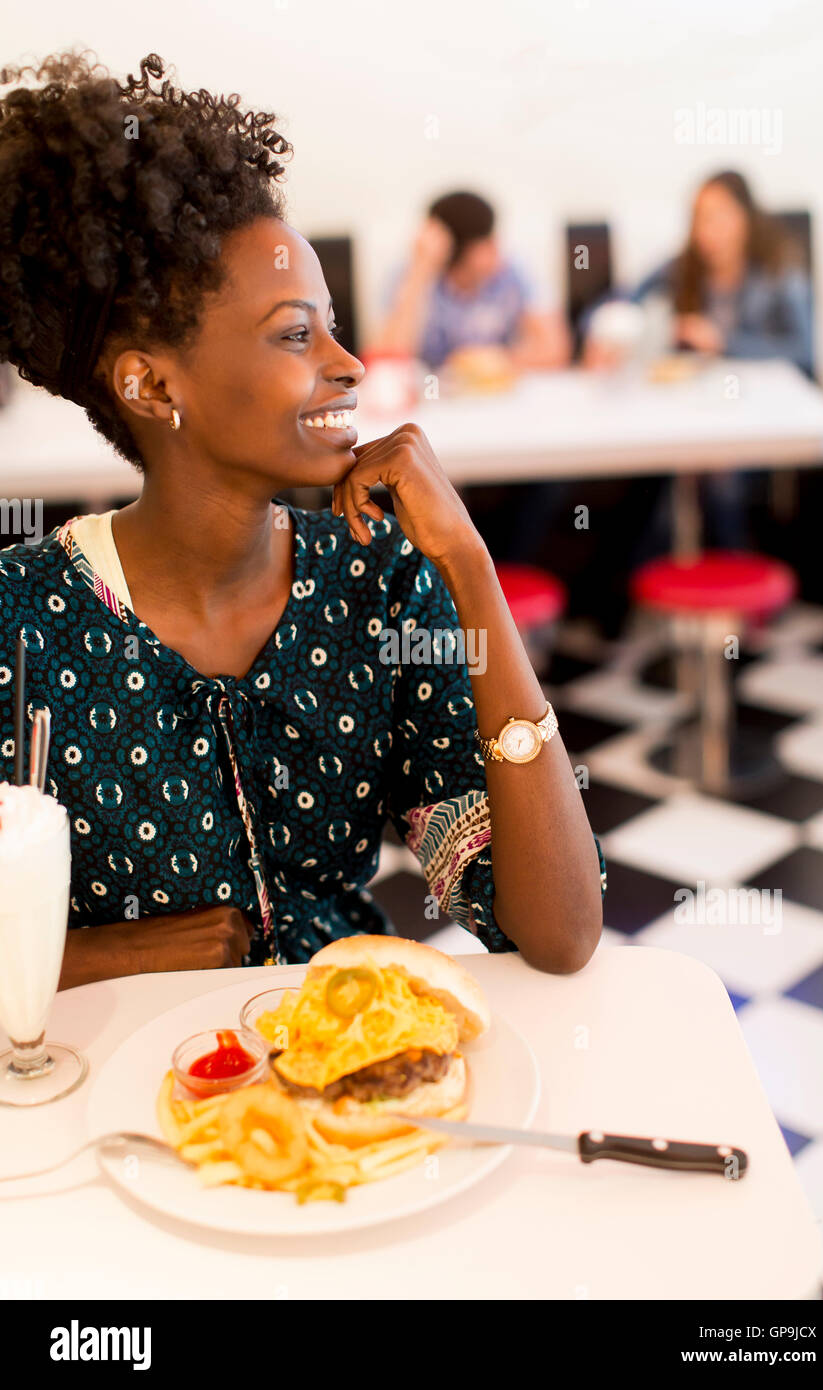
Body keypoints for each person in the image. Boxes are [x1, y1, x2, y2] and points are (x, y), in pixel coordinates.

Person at [0, 51, 605, 988]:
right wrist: (95, 958)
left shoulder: (382, 582)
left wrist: (472, 572)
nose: (350, 362)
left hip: (350, 1081)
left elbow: (557, 934)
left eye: (330, 324)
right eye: (296, 334)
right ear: (153, 385)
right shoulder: (22, 620)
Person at [582, 169, 814, 576]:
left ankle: (735, 601)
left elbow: (803, 352)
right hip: (689, 413)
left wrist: (723, 342)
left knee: (719, 473)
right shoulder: (681, 266)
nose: (707, 230)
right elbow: (617, 302)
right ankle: (630, 596)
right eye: (699, 217)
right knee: (650, 465)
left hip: (755, 418)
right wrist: (605, 332)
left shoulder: (778, 271)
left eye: (718, 216)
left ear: (745, 217)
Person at [368, 190, 571, 371]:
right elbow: (387, 361)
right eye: (486, 242)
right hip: (434, 400)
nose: (496, 249)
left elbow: (555, 350)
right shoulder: (411, 275)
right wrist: (421, 271)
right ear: (455, 250)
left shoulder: (514, 271)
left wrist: (490, 363)